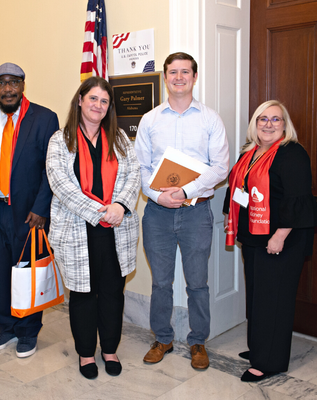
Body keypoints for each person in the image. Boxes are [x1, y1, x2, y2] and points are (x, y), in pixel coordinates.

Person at [134, 52, 229, 369]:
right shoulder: (150, 119)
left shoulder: (209, 119)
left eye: (184, 72)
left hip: (196, 213)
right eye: (172, 72)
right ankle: (162, 338)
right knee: (161, 283)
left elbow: (221, 168)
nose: (178, 77)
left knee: (197, 283)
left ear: (195, 76)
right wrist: (158, 197)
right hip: (158, 214)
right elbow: (141, 168)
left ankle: (198, 341)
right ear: (164, 77)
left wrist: (186, 190)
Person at [46, 77, 140, 379]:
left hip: (115, 229)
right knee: (83, 294)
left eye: (104, 101)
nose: (98, 105)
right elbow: (60, 183)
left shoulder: (121, 139)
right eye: (93, 99)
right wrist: (99, 211)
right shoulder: (60, 141)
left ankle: (110, 349)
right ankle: (86, 354)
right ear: (80, 100)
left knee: (113, 292)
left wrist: (120, 207)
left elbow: (133, 175)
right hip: (77, 229)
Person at [223, 100, 317, 382]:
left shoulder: (292, 154)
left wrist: (279, 235)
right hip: (254, 236)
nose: (269, 124)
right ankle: (259, 348)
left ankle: (269, 361)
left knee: (273, 298)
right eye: (263, 119)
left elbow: (297, 199)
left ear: (285, 125)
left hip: (281, 239)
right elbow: (239, 189)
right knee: (257, 294)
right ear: (255, 124)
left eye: (276, 120)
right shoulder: (251, 152)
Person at [0, 63, 59, 358]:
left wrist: (41, 207)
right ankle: (6, 327)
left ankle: (28, 331)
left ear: (23, 84)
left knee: (27, 272)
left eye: (13, 83)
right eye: (1, 83)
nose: (7, 89)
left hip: (28, 212)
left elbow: (52, 168)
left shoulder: (45, 118)